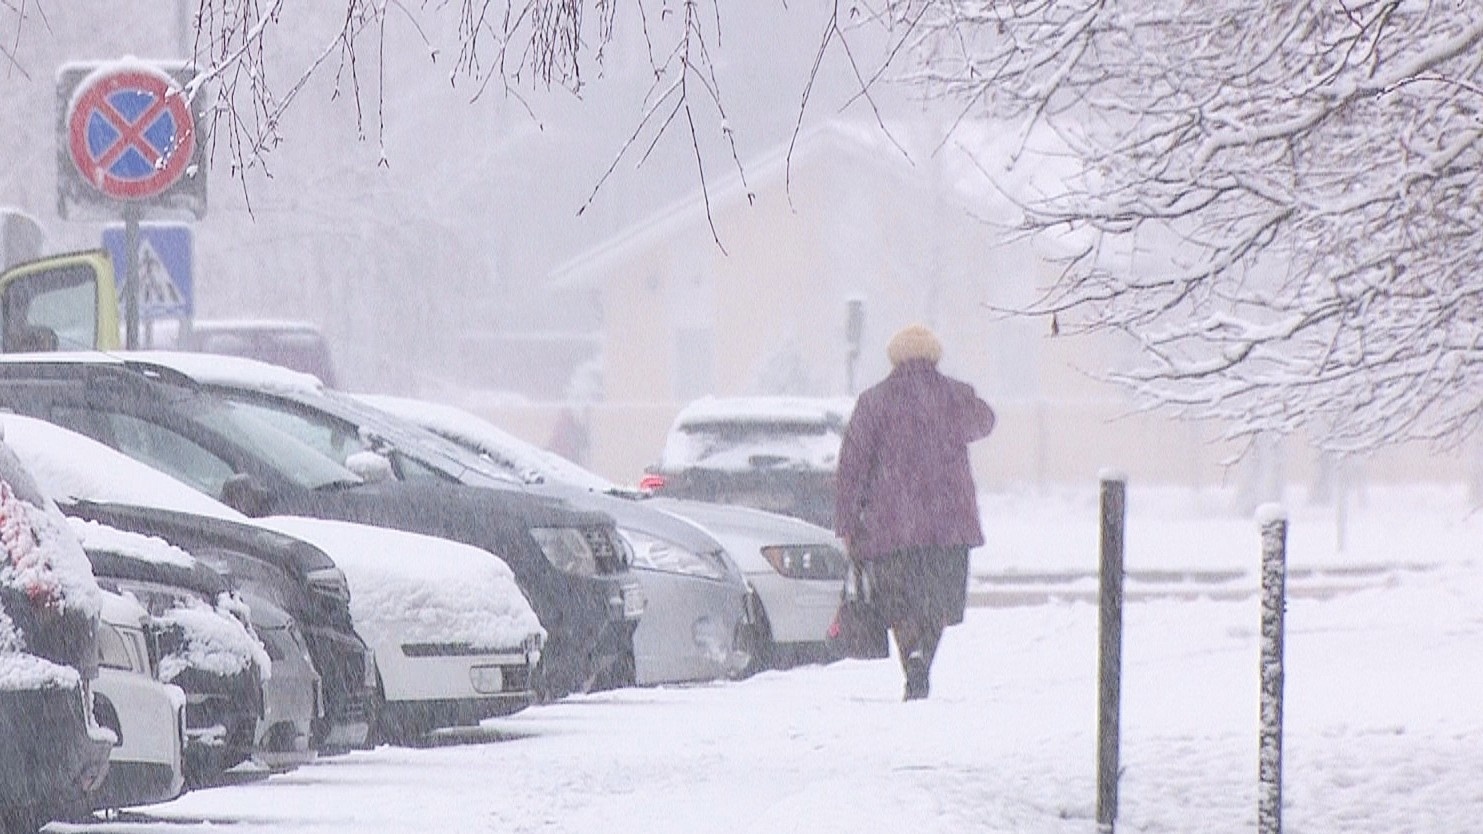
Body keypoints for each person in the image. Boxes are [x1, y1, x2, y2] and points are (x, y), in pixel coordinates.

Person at [833, 323, 995, 701]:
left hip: (891, 528)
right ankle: (924, 655)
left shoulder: (874, 401)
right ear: (934, 355)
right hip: (948, 525)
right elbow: (985, 422)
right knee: (937, 603)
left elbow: (852, 466)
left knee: (900, 606)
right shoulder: (954, 396)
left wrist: (847, 521)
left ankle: (912, 662)